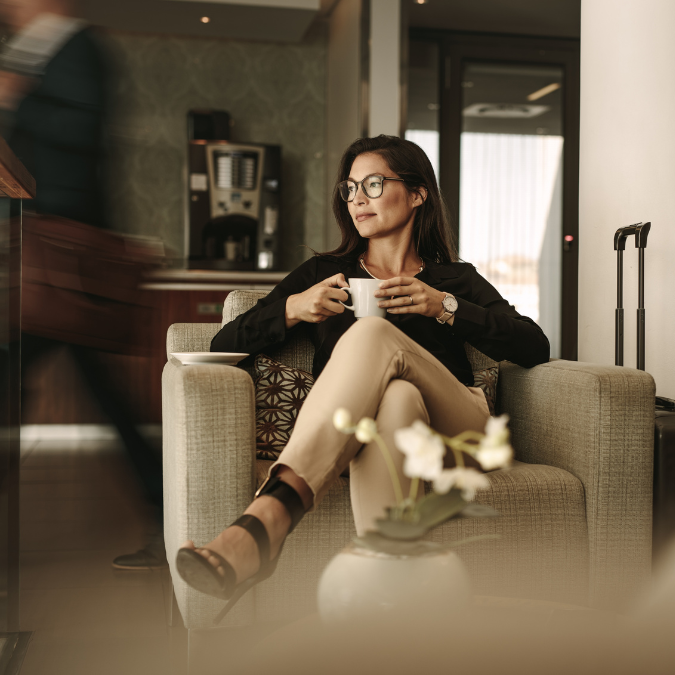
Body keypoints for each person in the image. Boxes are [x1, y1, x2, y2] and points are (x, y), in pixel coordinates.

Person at [176, 135, 550, 618]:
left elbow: (533, 345)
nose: (356, 198)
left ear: (417, 194)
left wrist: (446, 307)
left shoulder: (453, 278)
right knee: (393, 397)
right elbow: (222, 345)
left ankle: (270, 516)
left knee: (372, 333)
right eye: (350, 188)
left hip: (459, 427)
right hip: (375, 432)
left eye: (373, 184)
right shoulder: (324, 273)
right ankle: (386, 615)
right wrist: (293, 308)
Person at [0, 0, 165, 570]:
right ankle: (167, 512)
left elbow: (83, 129)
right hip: (45, 256)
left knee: (10, 374)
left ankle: (168, 513)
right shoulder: (36, 50)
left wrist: (18, 95)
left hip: (65, 259)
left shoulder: (77, 46)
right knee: (104, 394)